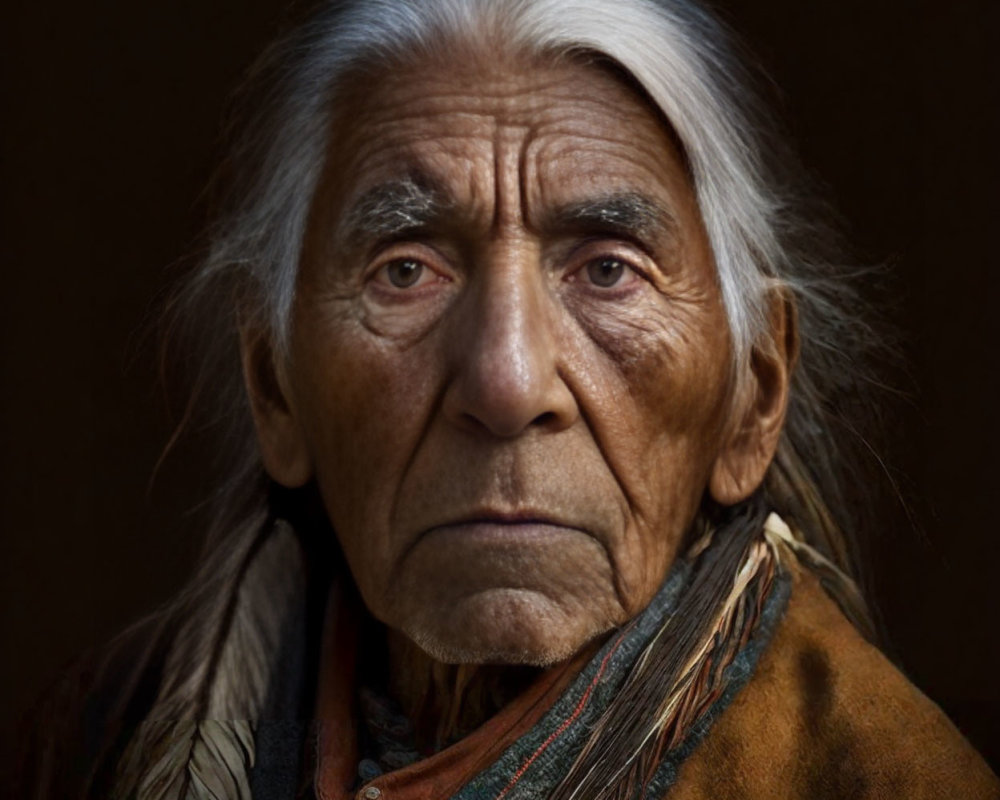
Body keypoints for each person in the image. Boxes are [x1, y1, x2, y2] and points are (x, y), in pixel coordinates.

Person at [16, 0, 999, 798]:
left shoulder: (881, 777)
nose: (507, 381)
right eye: (405, 271)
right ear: (274, 383)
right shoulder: (93, 745)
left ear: (752, 396)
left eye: (609, 270)